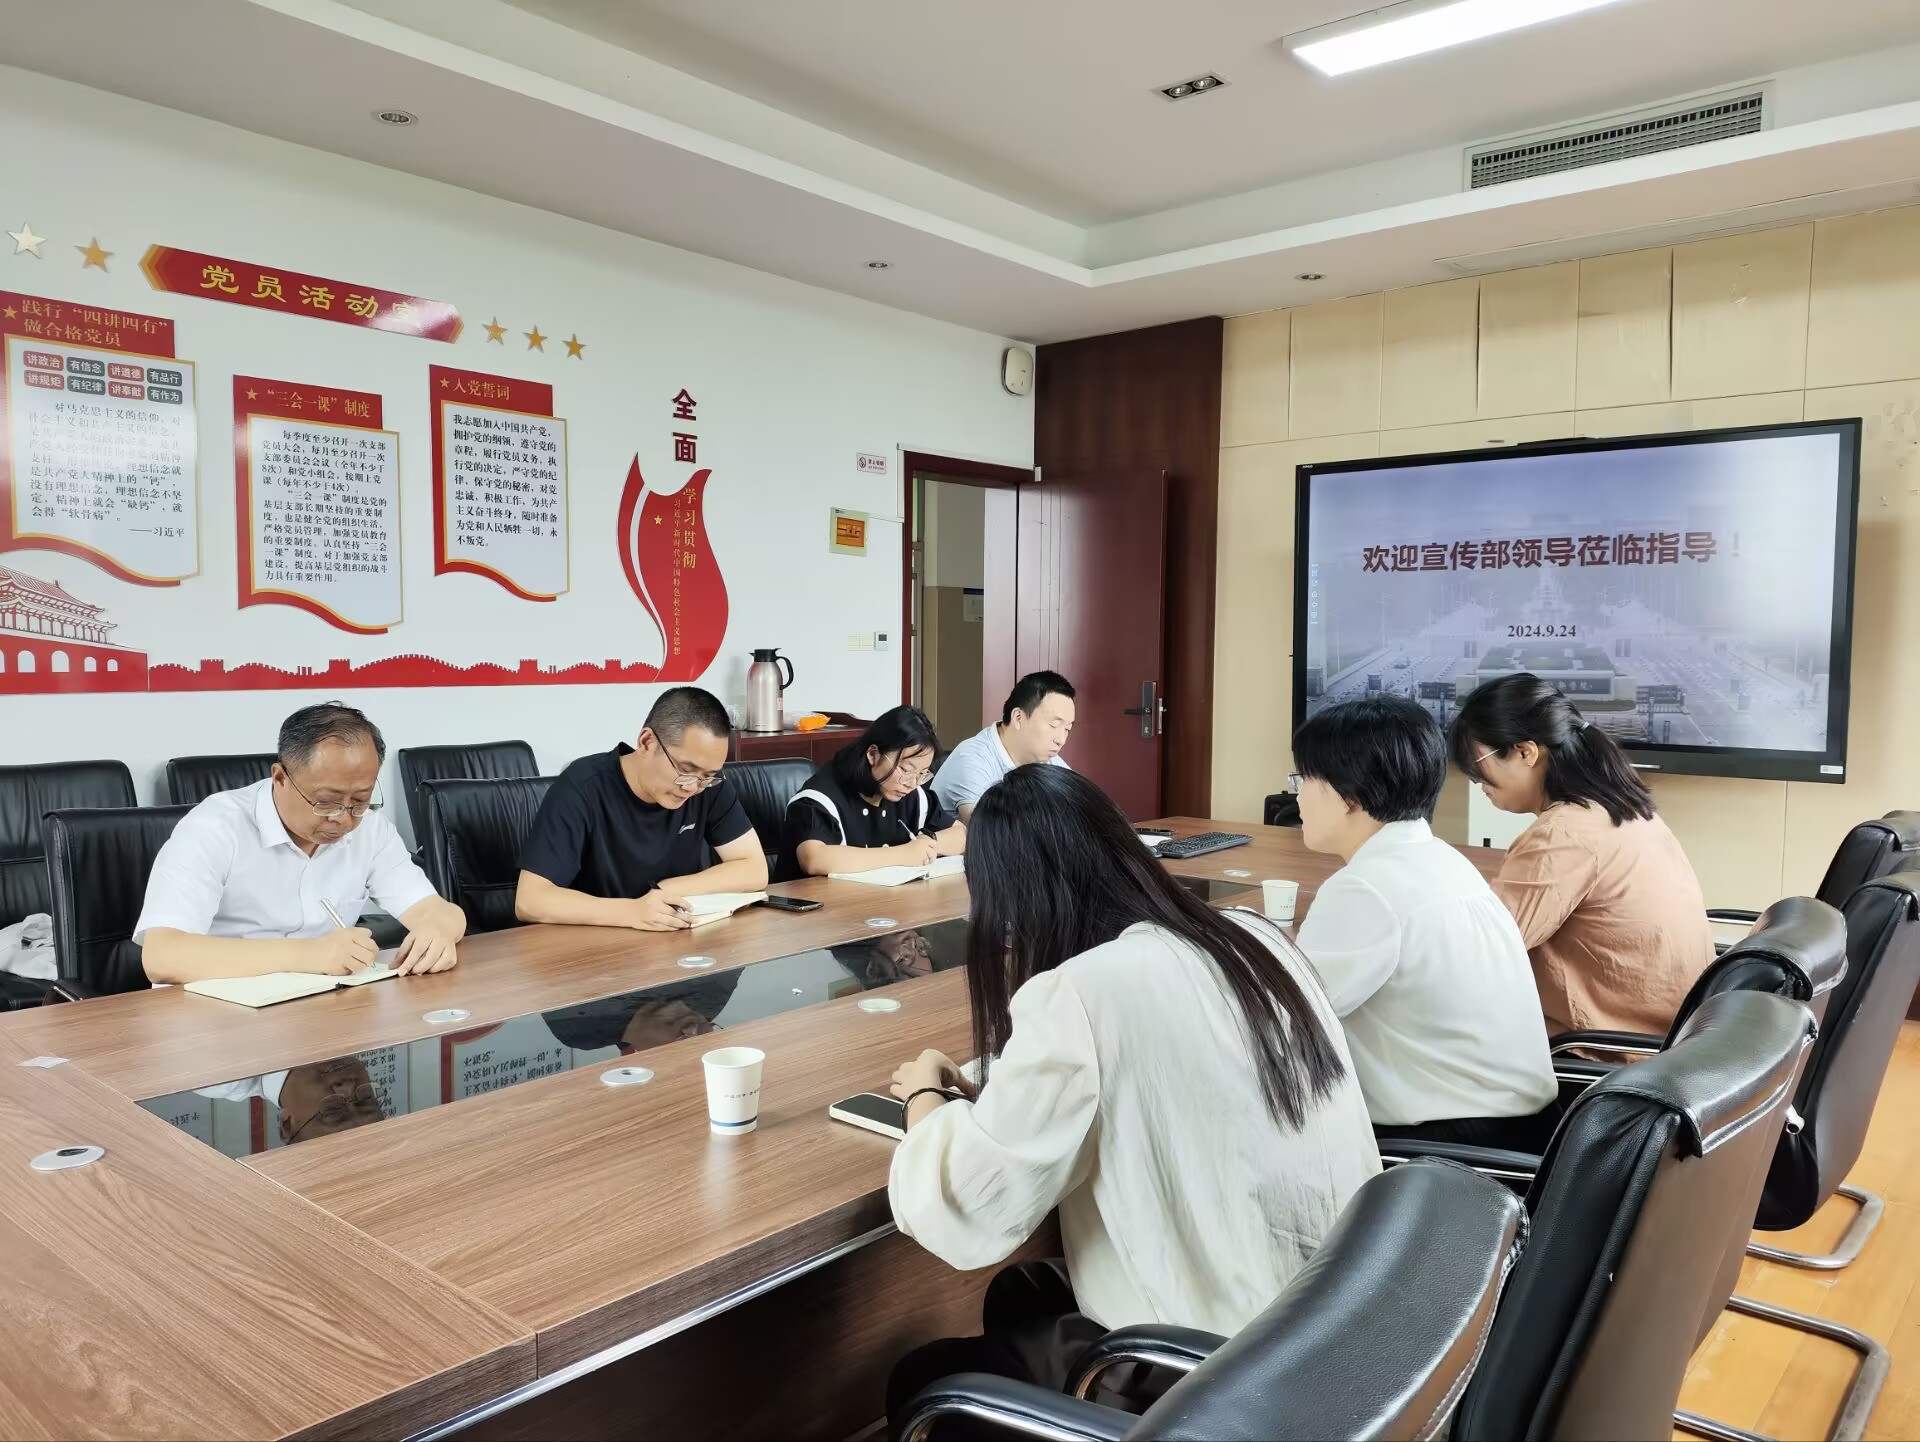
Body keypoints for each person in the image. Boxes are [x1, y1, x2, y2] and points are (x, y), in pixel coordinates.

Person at [882, 766, 1378, 1429]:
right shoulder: (1255, 938)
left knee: (925, 1378)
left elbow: (970, 1207)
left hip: (1223, 1375)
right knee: (1023, 1296)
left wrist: (925, 1097)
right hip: (1340, 1325)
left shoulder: (1083, 991)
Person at [1291, 696, 1559, 1150]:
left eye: (1305, 779)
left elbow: (1288, 1015)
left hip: (1444, 1150)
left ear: (1348, 795)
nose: (1297, 795)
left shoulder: (1365, 887)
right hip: (1521, 1132)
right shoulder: (1442, 860)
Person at [1451, 672, 1714, 1038]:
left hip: (1604, 1049)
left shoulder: (1564, 835)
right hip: (1671, 1034)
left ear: (1526, 752)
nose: (1476, 780)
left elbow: (1481, 952)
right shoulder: (1622, 807)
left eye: (1478, 763)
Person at [137, 703, 466, 985]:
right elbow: (162, 955)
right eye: (326, 802)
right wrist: (311, 954)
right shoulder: (214, 827)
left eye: (360, 800)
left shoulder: (370, 829)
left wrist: (437, 931)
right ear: (280, 778)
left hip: (317, 1008)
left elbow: (437, 911)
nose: (343, 818)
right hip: (216, 1015)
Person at [516, 687, 768, 931]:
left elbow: (754, 869)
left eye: (708, 775)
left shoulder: (707, 785)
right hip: (597, 942)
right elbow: (530, 901)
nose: (692, 787)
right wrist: (632, 911)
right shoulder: (582, 787)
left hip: (674, 937)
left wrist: (666, 890)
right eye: (685, 770)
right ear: (647, 742)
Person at [773, 706, 964, 883]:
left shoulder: (910, 794)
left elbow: (961, 834)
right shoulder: (820, 798)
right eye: (906, 770)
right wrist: (904, 854)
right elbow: (814, 858)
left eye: (922, 774)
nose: (912, 783)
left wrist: (929, 844)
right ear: (873, 754)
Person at [934, 670, 1076, 821]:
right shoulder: (972, 759)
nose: (1061, 740)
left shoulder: (1050, 761)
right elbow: (988, 830)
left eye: (1067, 729)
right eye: (1054, 725)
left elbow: (1080, 813)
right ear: (1018, 717)